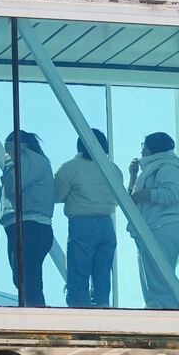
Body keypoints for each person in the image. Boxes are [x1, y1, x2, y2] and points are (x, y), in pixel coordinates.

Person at [55, 129, 121, 308]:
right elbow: (117, 198)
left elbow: (57, 196)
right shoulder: (113, 169)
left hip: (82, 224)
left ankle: (79, 314)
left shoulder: (70, 168)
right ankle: (102, 309)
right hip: (107, 225)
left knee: (79, 274)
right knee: (102, 275)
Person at [128, 132, 179, 310]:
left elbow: (172, 194)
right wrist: (133, 176)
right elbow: (131, 201)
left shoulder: (168, 166)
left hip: (163, 227)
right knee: (152, 286)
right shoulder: (153, 168)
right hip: (151, 229)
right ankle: (158, 315)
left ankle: (169, 317)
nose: (142, 150)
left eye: (144, 146)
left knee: (160, 284)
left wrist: (143, 194)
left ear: (152, 147)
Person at [0, 130, 54, 307]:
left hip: (28, 225)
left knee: (27, 280)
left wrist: (9, 161)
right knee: (28, 279)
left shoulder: (24, 158)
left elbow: (13, 186)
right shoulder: (37, 160)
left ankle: (36, 319)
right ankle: (35, 315)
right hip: (35, 225)